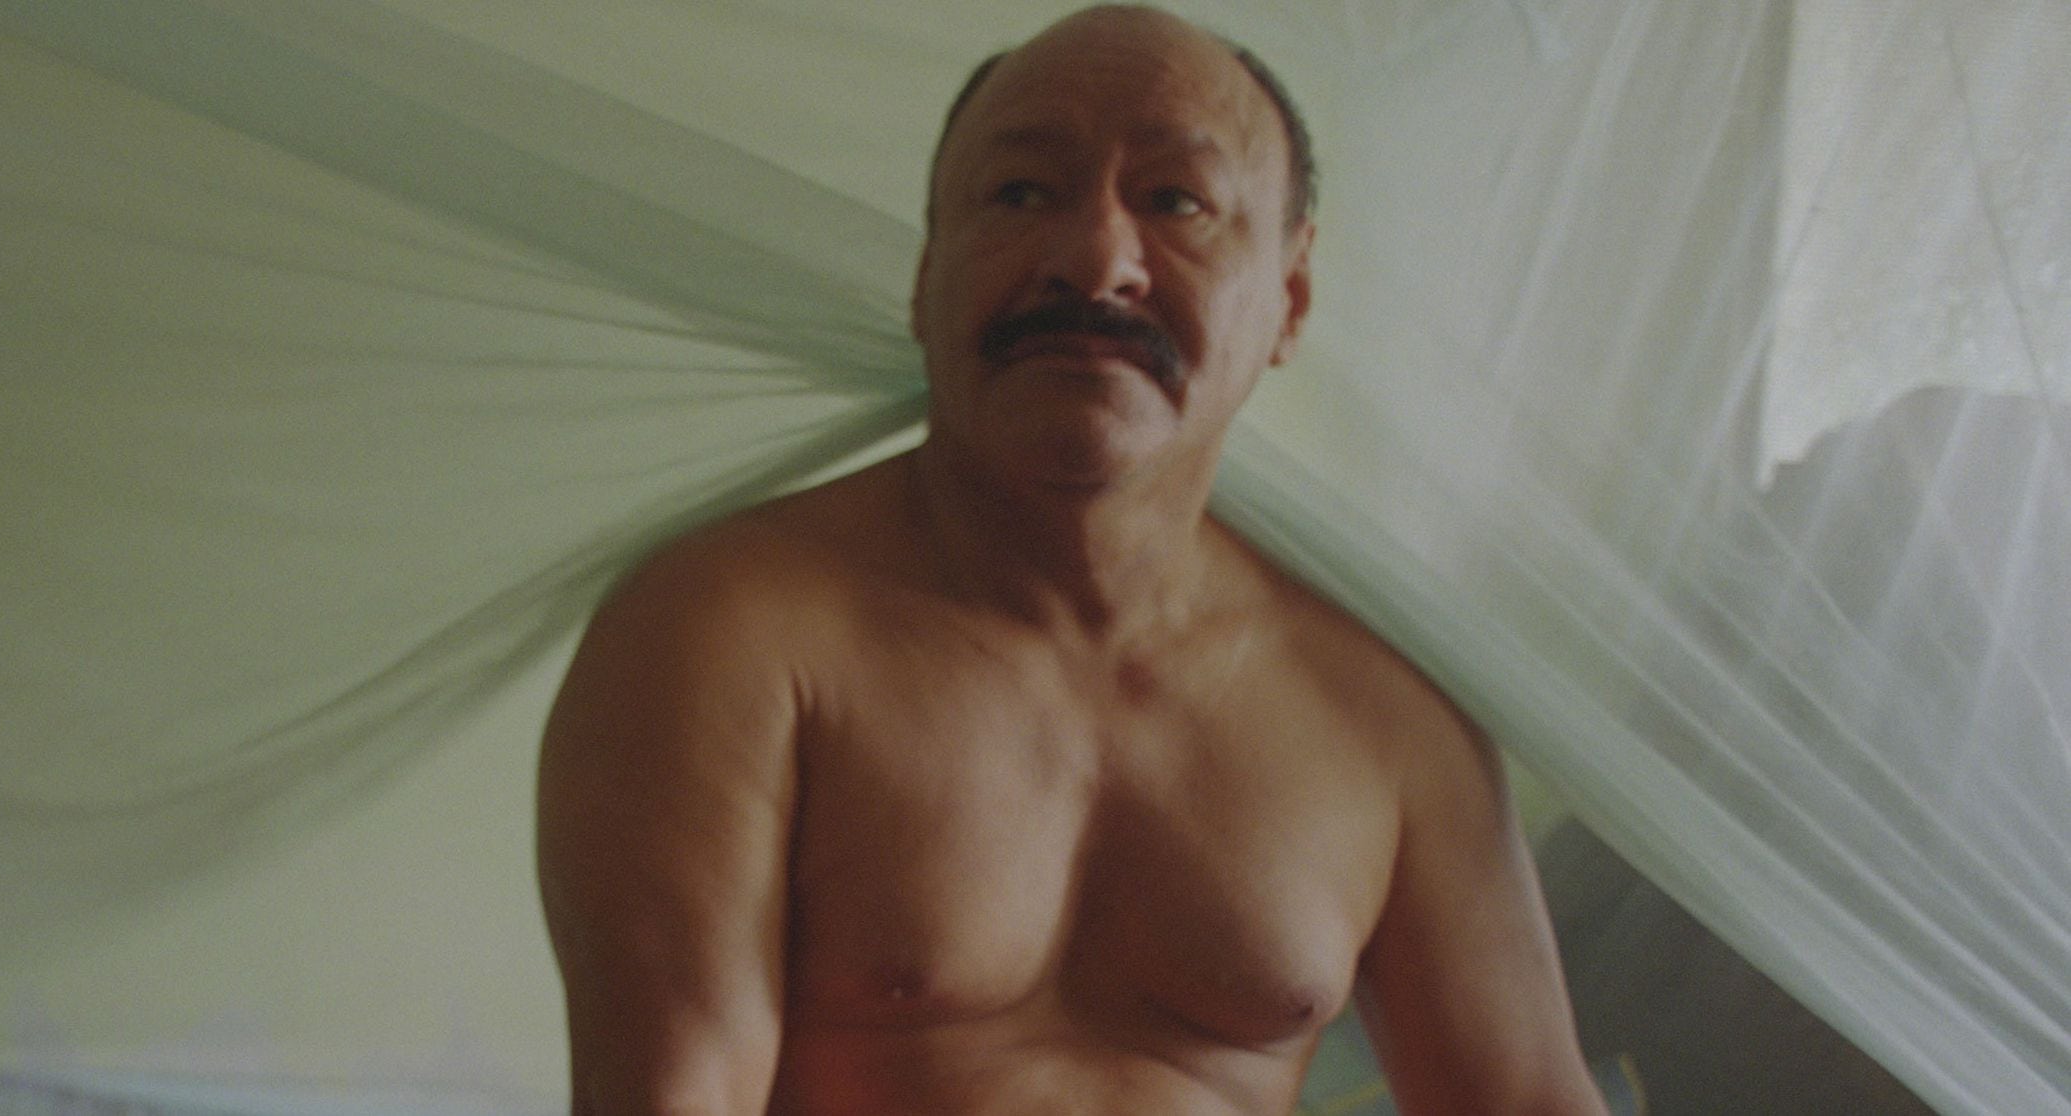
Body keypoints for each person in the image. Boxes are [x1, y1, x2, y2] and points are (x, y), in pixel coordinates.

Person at [534, 5, 1607, 1114]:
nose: (1093, 260)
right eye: (1019, 194)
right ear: (925, 278)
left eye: (1175, 201)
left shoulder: (1390, 711)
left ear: (1288, 298)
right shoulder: (729, 630)